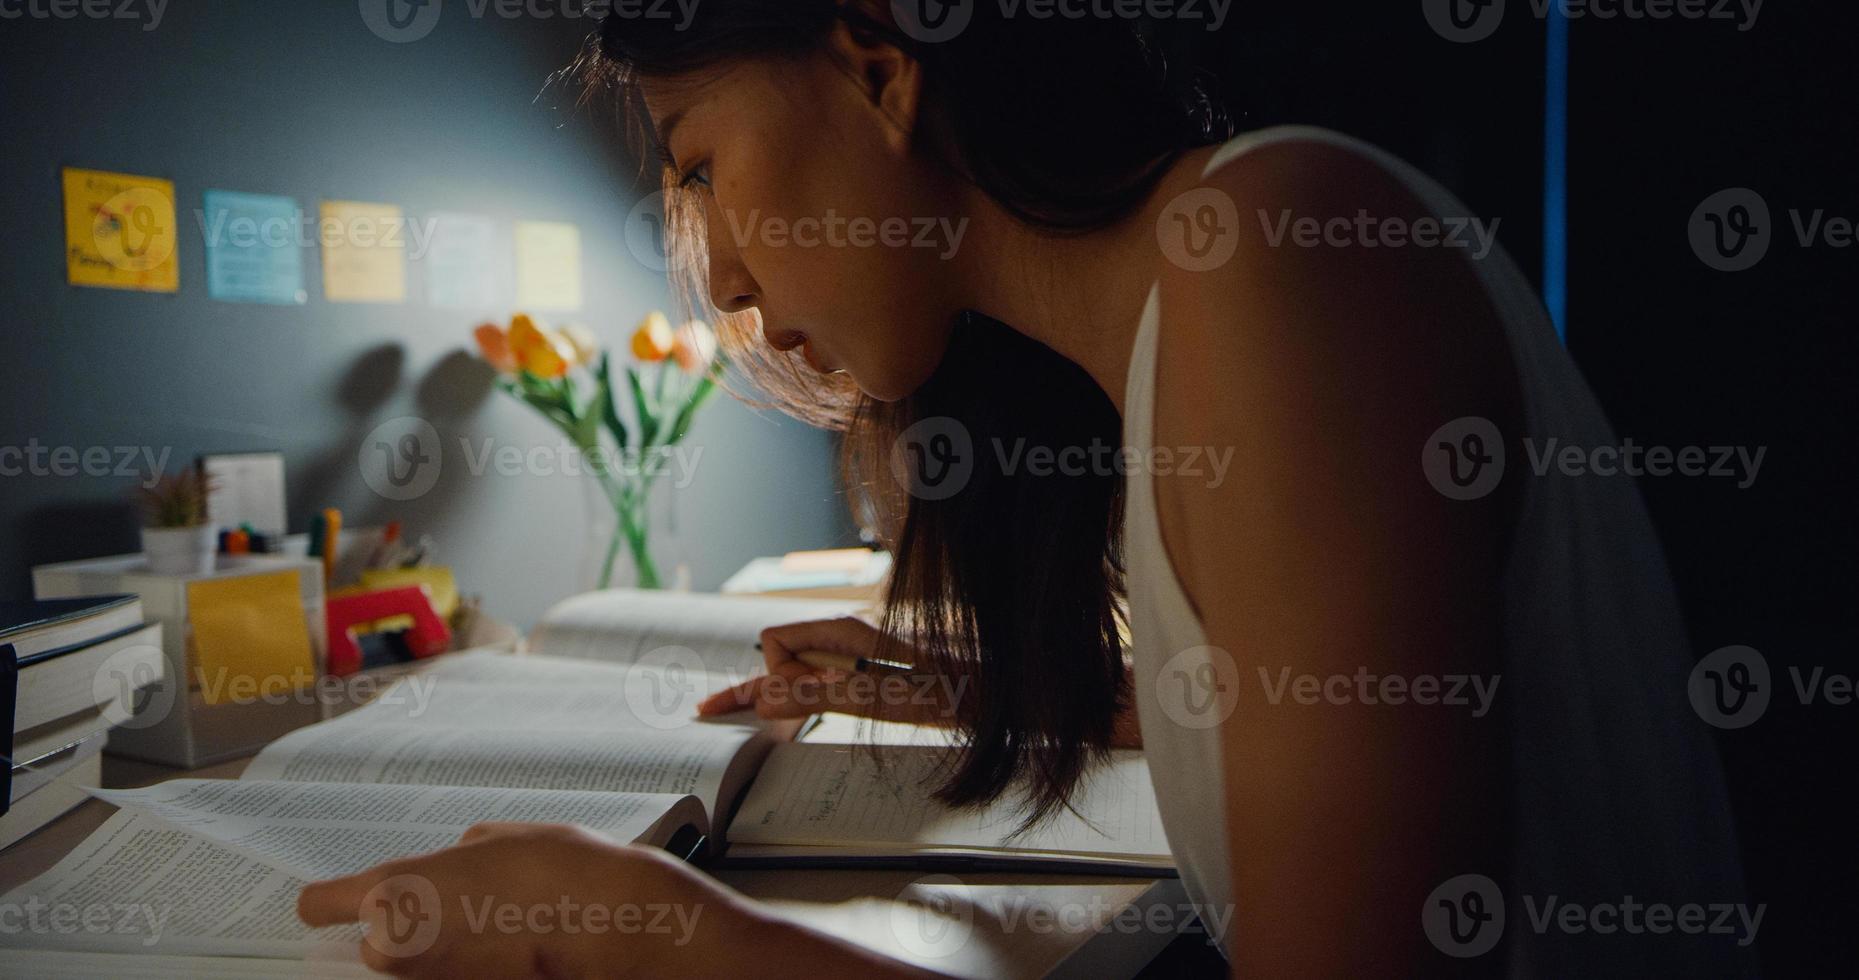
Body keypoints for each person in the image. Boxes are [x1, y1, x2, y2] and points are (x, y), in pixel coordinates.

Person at [298, 4, 1752, 975]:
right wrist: (959, 688)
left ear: (878, 70)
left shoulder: (1274, 258)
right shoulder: (1184, 317)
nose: (727, 281)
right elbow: (1293, 702)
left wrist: (656, 933)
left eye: (703, 167)